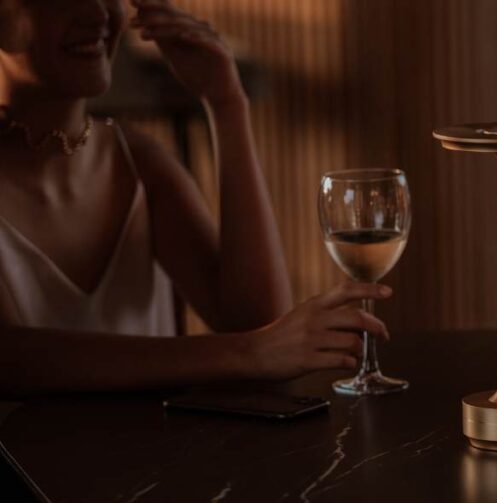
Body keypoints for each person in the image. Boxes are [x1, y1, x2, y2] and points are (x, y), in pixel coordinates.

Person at [0, 0, 386, 394]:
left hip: (159, 438)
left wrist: (226, 102)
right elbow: (13, 359)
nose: (98, 14)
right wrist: (247, 352)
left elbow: (259, 327)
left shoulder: (140, 164)